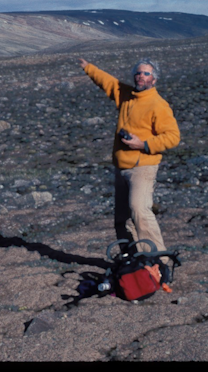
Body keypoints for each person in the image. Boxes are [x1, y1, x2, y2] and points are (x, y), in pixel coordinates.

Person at [78, 58, 180, 270]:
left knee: (139, 210)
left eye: (146, 74)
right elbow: (108, 82)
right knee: (122, 219)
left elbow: (173, 136)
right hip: (121, 166)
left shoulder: (158, 104)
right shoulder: (126, 95)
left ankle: (160, 263)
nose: (141, 76)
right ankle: (133, 261)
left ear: (154, 79)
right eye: (138, 72)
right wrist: (89, 68)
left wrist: (143, 144)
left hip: (143, 166)